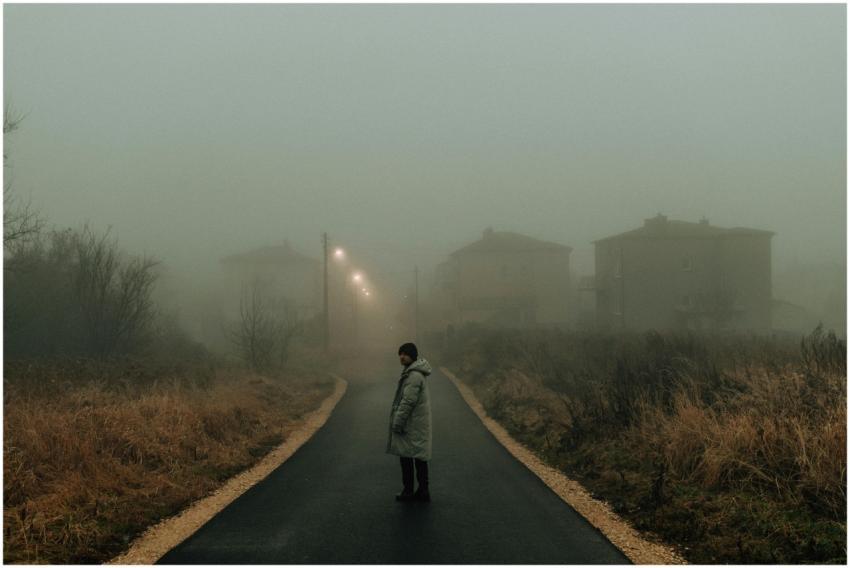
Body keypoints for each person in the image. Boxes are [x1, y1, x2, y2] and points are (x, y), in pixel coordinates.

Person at [386, 342, 432, 502]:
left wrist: (397, 423)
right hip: (417, 423)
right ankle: (423, 491)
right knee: (419, 457)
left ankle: (409, 491)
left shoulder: (413, 376)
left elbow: (407, 402)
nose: (402, 357)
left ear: (412, 356)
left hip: (411, 424)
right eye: (400, 354)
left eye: (405, 354)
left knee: (406, 457)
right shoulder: (414, 373)